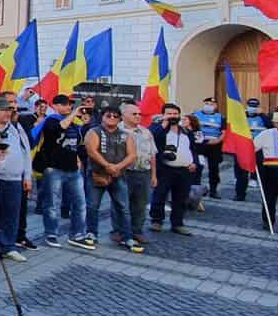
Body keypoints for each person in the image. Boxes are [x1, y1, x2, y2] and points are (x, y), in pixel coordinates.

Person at [84, 106, 142, 253]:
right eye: (108, 115)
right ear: (102, 116)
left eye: (115, 116)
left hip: (119, 176)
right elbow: (92, 151)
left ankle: (127, 237)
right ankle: (91, 233)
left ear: (120, 118)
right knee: (92, 206)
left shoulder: (126, 135)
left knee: (123, 208)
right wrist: (107, 165)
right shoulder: (94, 132)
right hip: (97, 175)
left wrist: (117, 167)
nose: (112, 118)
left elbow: (132, 155)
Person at [33, 94, 85, 249]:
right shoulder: (51, 120)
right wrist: (73, 114)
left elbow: (77, 143)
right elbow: (59, 128)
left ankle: (77, 234)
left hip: (72, 169)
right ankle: (51, 234)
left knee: (80, 203)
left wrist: (78, 158)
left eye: (70, 105)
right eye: (66, 104)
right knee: (52, 204)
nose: (69, 107)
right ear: (55, 105)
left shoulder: (74, 124)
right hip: (54, 168)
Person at [0, 99, 32, 262]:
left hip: (14, 179)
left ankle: (8, 246)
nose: (7, 113)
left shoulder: (16, 129)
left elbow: (26, 153)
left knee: (12, 214)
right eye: (4, 109)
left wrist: (27, 176)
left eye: (10, 110)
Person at [151, 103, 199, 235]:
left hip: (184, 170)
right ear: (163, 115)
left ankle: (177, 223)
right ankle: (157, 221)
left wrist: (194, 162)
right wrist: (163, 125)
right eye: (169, 114)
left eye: (175, 114)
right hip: (165, 169)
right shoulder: (158, 128)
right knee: (160, 195)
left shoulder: (185, 131)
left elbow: (193, 149)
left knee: (181, 198)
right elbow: (153, 139)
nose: (173, 116)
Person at [120, 104, 157, 247]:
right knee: (122, 204)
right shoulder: (118, 130)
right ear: (124, 115)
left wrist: (154, 175)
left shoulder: (146, 132)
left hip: (144, 172)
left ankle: (137, 231)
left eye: (139, 114)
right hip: (125, 172)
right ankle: (119, 231)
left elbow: (152, 154)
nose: (138, 116)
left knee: (141, 204)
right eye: (134, 114)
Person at [192, 97, 225, 198]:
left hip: (215, 145)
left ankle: (213, 190)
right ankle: (195, 189)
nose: (208, 105)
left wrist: (217, 140)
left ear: (215, 106)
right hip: (199, 145)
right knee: (197, 167)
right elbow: (191, 128)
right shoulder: (195, 115)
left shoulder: (221, 117)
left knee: (214, 168)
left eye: (211, 104)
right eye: (207, 103)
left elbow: (224, 132)